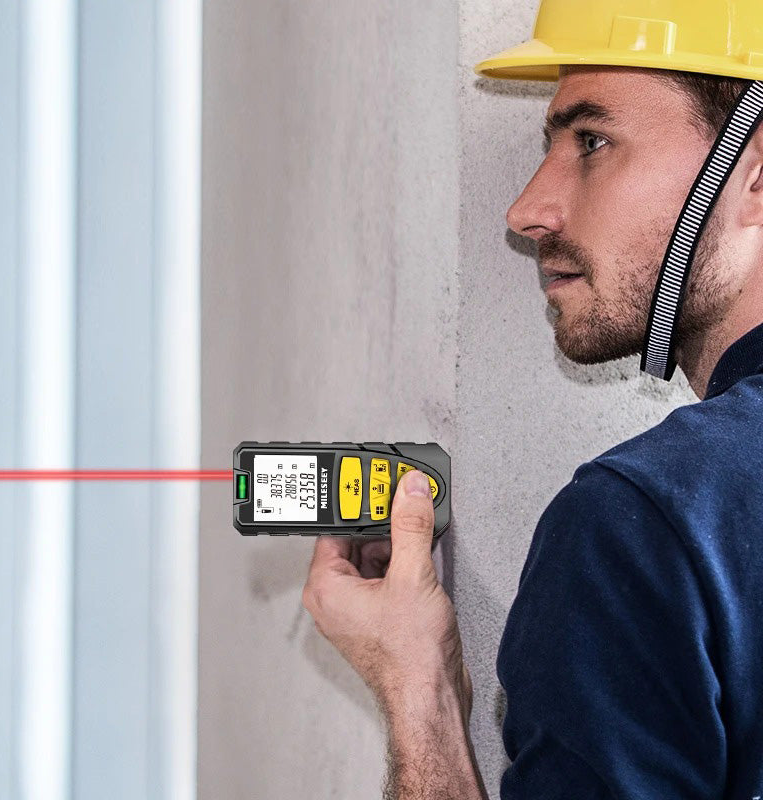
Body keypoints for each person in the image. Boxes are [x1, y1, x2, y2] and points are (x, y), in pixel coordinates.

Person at [301, 2, 763, 797]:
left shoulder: (641, 526)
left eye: (592, 142)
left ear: (752, 173)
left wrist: (421, 698)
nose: (526, 212)